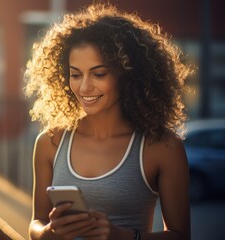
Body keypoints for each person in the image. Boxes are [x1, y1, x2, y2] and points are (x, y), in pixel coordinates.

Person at [24, 2, 193, 240]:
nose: (84, 87)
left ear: (127, 74)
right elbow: (36, 222)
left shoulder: (162, 147)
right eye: (75, 74)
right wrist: (48, 233)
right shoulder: (50, 142)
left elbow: (180, 236)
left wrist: (120, 236)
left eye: (99, 73)